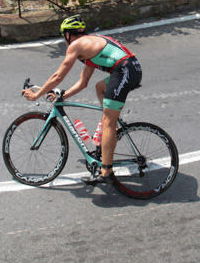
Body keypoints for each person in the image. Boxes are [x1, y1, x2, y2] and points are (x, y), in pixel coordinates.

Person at [23, 15, 142, 185]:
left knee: (108, 121)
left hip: (125, 71)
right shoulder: (89, 45)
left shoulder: (77, 46)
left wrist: (37, 95)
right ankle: (112, 127)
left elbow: (57, 76)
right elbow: (82, 83)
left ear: (67, 35)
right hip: (129, 69)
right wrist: (62, 96)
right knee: (99, 88)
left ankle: (106, 171)